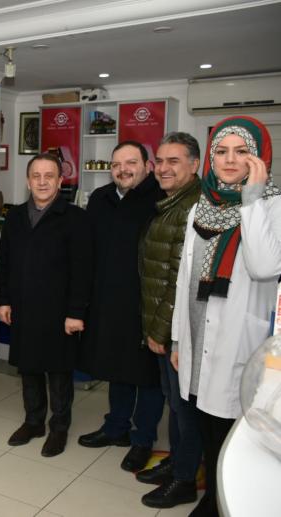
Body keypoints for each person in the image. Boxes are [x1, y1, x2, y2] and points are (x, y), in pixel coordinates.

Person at [171, 116, 281, 517]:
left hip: (239, 344)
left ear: (259, 158)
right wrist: (179, 340)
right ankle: (212, 497)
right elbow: (185, 280)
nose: (229, 159)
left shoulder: (272, 206)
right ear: (211, 159)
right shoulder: (201, 208)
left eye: (241, 151)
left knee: (231, 431)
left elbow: (265, 265)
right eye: (221, 151)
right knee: (202, 423)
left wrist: (252, 199)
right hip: (198, 340)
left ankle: (224, 502)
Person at [77, 141, 166, 473]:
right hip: (107, 301)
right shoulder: (100, 199)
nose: (123, 169)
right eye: (116, 164)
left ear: (147, 165)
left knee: (147, 376)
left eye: (131, 162)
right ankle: (115, 428)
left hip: (147, 304)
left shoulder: (161, 199)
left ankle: (143, 438)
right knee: (117, 368)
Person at [0, 153, 91, 458]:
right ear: (27, 181)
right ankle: (33, 421)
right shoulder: (14, 216)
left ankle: (59, 427)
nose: (41, 181)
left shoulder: (75, 218)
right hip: (23, 308)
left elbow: (82, 269)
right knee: (29, 369)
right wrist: (3, 301)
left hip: (59, 312)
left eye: (48, 176)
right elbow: (4, 262)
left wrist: (76, 312)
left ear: (60, 181)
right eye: (36, 176)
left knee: (59, 373)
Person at [137, 132, 203, 509]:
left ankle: (183, 480)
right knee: (174, 402)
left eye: (173, 161)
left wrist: (162, 332)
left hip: (176, 330)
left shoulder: (191, 208)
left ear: (194, 165)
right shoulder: (171, 204)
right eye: (159, 161)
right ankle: (179, 464)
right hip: (164, 325)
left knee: (183, 407)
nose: (162, 168)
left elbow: (177, 277)